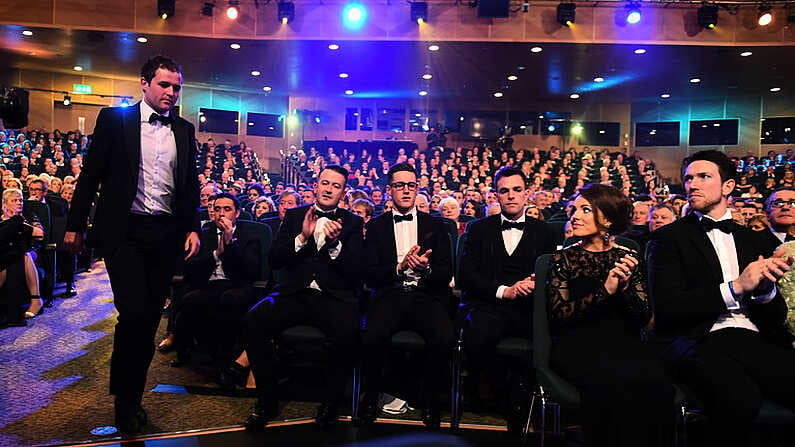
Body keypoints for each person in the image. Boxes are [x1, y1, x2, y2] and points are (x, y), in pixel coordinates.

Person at [63, 56, 201, 433]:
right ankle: (124, 403)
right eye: (164, 85)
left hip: (164, 234)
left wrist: (193, 227)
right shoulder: (115, 120)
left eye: (176, 87)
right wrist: (75, 226)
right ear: (144, 83)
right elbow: (90, 175)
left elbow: (189, 187)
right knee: (135, 313)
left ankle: (132, 398)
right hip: (123, 233)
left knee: (148, 320)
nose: (171, 93)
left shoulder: (186, 131)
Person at [648, 150, 795, 447]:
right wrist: (736, 287)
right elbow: (668, 308)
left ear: (728, 186)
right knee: (740, 400)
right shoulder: (667, 239)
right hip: (698, 338)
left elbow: (774, 315)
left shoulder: (755, 240)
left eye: (703, 177)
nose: (692, 185)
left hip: (753, 338)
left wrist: (764, 289)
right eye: (688, 178)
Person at [547, 183, 674, 447]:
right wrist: (606, 290)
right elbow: (560, 315)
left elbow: (644, 318)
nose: (575, 216)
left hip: (623, 342)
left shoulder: (629, 257)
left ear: (607, 219)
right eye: (575, 209)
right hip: (577, 344)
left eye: (585, 210)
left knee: (656, 380)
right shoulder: (563, 260)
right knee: (612, 380)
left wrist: (626, 289)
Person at [243, 165, 364, 429]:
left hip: (333, 297)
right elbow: (275, 260)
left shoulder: (353, 223)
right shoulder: (296, 215)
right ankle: (267, 400)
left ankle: (331, 402)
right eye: (325, 183)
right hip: (294, 293)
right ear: (316, 186)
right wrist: (302, 237)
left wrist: (335, 245)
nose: (329, 189)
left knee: (349, 330)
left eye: (336, 185)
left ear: (343, 192)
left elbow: (356, 271)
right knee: (254, 320)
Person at [459, 166, 556, 432]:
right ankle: (498, 394)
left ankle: (524, 399)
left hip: (529, 307)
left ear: (527, 193)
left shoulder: (545, 231)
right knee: (480, 334)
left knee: (547, 336)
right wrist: (504, 290)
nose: (511, 196)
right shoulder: (478, 229)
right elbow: (467, 276)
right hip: (489, 303)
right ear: (495, 195)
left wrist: (532, 284)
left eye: (516, 190)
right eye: (504, 191)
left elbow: (551, 274)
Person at [359, 162, 454, 429]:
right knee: (371, 336)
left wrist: (426, 269)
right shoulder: (376, 226)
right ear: (389, 190)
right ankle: (371, 398)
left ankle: (431, 401)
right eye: (399, 185)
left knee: (445, 337)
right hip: (390, 294)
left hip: (425, 296)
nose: (406, 190)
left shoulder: (436, 225)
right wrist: (400, 267)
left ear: (417, 188)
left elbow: (446, 273)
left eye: (411, 185)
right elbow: (369, 274)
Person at [171, 192, 262, 371]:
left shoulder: (250, 237)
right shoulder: (203, 236)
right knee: (192, 299)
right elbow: (191, 267)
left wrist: (230, 247)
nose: (221, 213)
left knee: (229, 299)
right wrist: (216, 254)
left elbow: (250, 271)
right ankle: (189, 352)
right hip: (209, 284)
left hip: (236, 285)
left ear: (237, 213)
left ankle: (224, 361)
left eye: (227, 209)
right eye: (217, 209)